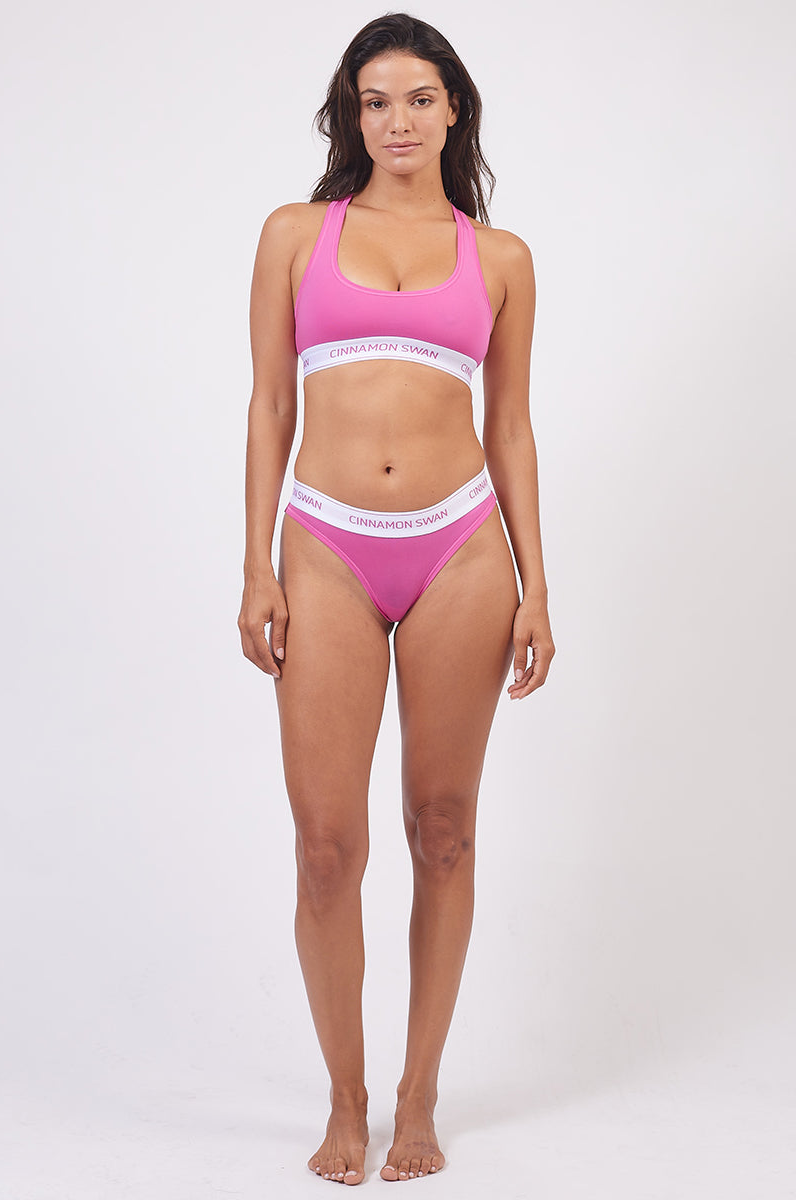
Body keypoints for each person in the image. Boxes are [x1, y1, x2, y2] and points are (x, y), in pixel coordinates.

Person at [238, 12, 555, 1185]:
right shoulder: (295, 234)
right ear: (352, 116)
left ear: (451, 108)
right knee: (327, 848)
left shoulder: (500, 257)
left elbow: (508, 426)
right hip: (323, 543)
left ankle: (418, 1095)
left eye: (418, 98)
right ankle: (347, 1095)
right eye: (375, 102)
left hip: (460, 549)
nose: (397, 120)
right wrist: (256, 563)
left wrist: (534, 583)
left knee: (443, 828)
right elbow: (270, 405)